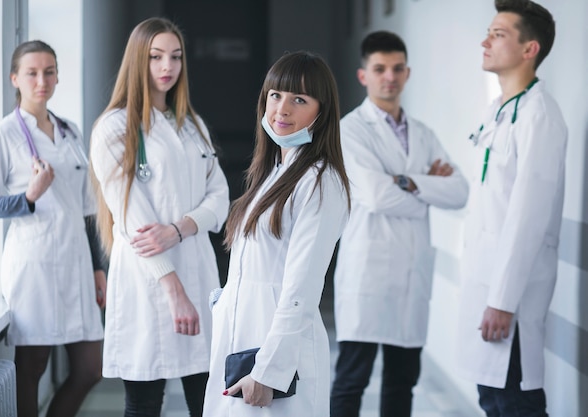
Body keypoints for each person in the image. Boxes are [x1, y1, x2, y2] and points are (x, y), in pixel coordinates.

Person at [89, 17, 229, 417]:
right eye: (155, 57)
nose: (167, 66)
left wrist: (180, 228)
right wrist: (174, 291)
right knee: (146, 402)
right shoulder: (115, 129)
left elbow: (220, 196)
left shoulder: (193, 126)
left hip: (197, 269)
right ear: (138, 60)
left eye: (175, 57)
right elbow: (133, 220)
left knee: (207, 398)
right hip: (147, 282)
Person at [202, 51, 350, 416]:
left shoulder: (319, 181)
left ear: (322, 111)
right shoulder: (273, 173)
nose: (282, 109)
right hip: (244, 342)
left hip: (275, 358)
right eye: (275, 95)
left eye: (299, 99)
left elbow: (302, 287)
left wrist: (269, 371)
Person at [330, 31, 469, 417]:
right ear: (364, 76)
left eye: (396, 68)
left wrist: (407, 182)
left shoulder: (423, 134)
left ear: (408, 73)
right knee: (351, 380)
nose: (388, 76)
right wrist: (428, 188)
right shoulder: (350, 130)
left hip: (412, 274)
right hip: (368, 272)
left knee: (402, 382)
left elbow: (459, 192)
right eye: (379, 69)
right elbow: (376, 196)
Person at [0, 40, 105, 417]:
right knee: (31, 370)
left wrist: (98, 267)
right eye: (31, 73)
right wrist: (29, 196)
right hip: (35, 266)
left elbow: (88, 210)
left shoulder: (71, 131)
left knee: (91, 369)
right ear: (15, 78)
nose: (41, 80)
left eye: (49, 71)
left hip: (77, 263)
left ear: (58, 76)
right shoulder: (4, 134)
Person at [457, 1, 567, 416]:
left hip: (511, 296)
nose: (485, 41)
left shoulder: (540, 116)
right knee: (493, 397)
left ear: (529, 49)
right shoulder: (500, 110)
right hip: (486, 281)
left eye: (498, 34)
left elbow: (527, 216)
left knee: (514, 400)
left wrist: (503, 300)